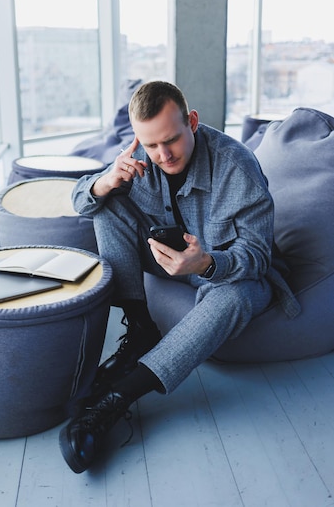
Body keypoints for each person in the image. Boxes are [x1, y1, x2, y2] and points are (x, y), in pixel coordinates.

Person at [59, 80, 299, 474]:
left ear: (192, 121)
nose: (162, 154)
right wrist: (103, 183)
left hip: (231, 272)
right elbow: (79, 202)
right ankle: (139, 330)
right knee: (106, 206)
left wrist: (204, 265)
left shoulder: (236, 166)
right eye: (150, 145)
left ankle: (115, 401)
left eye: (170, 140)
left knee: (235, 298)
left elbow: (256, 257)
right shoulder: (141, 157)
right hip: (171, 261)